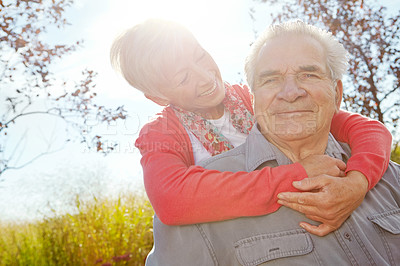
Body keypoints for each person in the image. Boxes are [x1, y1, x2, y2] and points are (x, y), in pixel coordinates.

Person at [146, 20, 400, 265]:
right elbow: (169, 199)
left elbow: (368, 128)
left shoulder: (390, 177)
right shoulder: (163, 137)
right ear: (255, 97)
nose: (290, 93)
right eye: (271, 79)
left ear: (337, 94)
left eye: (309, 74)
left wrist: (358, 181)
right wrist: (298, 174)